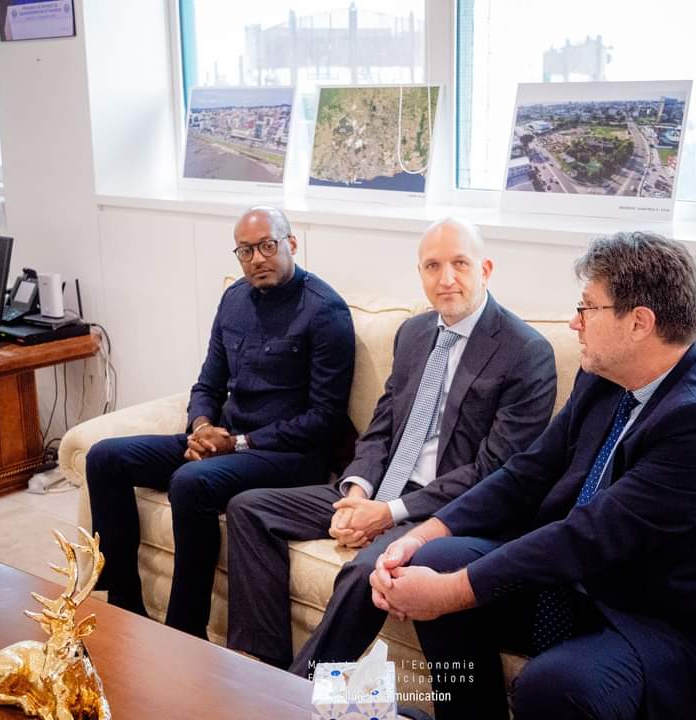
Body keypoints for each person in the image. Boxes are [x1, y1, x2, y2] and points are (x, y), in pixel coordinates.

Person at [369, 232, 696, 720]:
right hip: (584, 580)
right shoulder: (606, 374)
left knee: (555, 685)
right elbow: (530, 470)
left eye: (587, 308)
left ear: (639, 323)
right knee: (435, 559)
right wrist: (423, 533)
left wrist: (448, 593)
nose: (574, 322)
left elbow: (589, 536)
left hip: (659, 614)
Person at [225, 218, 557, 673]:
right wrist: (356, 493)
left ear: (485, 269)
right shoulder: (414, 334)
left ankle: (296, 690)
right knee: (250, 509)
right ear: (420, 273)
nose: (446, 279)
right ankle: (261, 661)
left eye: (460, 264)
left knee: (367, 570)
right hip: (382, 489)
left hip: (444, 511)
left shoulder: (525, 352)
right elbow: (381, 427)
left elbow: (493, 471)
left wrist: (388, 513)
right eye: (432, 266)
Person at [85, 206, 355, 639]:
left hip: (289, 455)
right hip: (226, 441)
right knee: (105, 458)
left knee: (191, 482)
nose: (257, 259)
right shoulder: (234, 299)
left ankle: (184, 633)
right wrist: (201, 426)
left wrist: (238, 443)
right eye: (245, 251)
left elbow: (324, 419)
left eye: (267, 246)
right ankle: (125, 605)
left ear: (291, 243)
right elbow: (208, 382)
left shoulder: (326, 311)